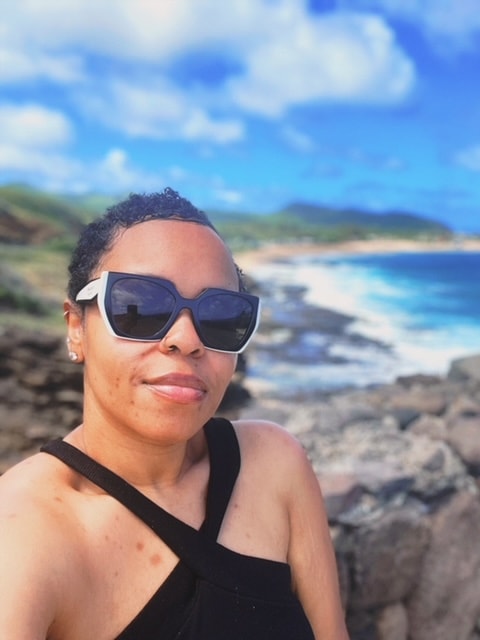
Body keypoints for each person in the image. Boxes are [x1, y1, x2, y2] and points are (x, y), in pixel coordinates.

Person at [0, 188, 349, 639]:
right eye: (140, 306)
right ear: (76, 328)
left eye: (221, 315)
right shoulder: (23, 530)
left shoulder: (275, 464)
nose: (186, 339)